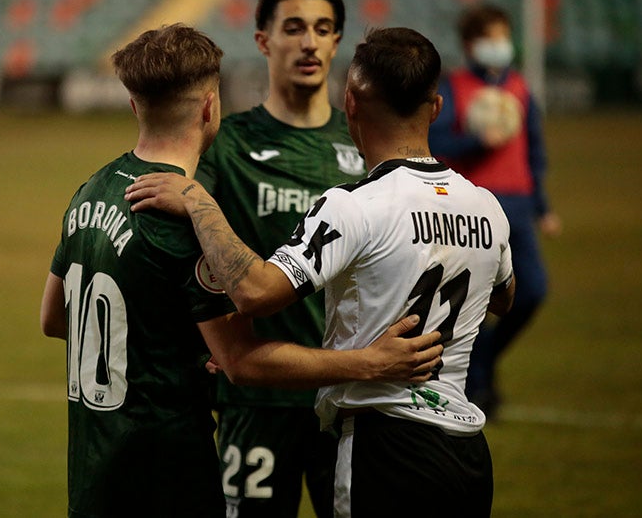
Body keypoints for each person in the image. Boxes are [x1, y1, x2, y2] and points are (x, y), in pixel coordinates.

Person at [41, 24, 443, 518]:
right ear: (212, 108)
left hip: (92, 469)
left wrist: (167, 343)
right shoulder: (186, 222)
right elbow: (242, 363)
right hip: (166, 471)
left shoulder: (90, 189)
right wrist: (370, 363)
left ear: (133, 106)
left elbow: (53, 319)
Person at [125, 26, 516, 517]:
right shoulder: (486, 207)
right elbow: (503, 296)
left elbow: (255, 291)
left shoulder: (351, 206)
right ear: (435, 108)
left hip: (385, 449)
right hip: (467, 456)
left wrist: (199, 202)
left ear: (350, 102)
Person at [193, 0, 364, 518]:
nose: (309, 42)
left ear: (338, 40)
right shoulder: (225, 145)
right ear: (264, 40)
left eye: (323, 28)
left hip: (351, 398)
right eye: (294, 28)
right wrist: (202, 342)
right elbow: (185, 259)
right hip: (257, 398)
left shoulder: (365, 151)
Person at [428, 3, 561, 418]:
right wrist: (476, 142)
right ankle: (479, 387)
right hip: (472, 208)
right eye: (490, 38)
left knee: (532, 290)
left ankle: (482, 361)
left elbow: (533, 149)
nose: (499, 46)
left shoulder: (520, 87)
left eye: (503, 37)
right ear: (470, 45)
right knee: (472, 303)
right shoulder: (452, 89)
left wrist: (542, 205)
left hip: (518, 206)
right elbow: (436, 145)